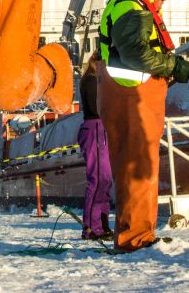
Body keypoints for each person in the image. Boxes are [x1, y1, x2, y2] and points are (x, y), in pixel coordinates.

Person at [97, 0, 189, 252]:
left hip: (126, 91)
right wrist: (172, 66)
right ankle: (136, 239)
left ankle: (136, 234)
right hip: (133, 93)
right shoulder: (133, 6)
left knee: (134, 165)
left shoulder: (129, 4)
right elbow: (136, 54)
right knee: (139, 165)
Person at [77, 53, 114, 241]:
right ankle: (91, 227)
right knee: (98, 179)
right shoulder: (91, 81)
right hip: (96, 128)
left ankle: (103, 223)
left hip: (101, 129)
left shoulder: (95, 80)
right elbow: (96, 107)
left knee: (105, 179)